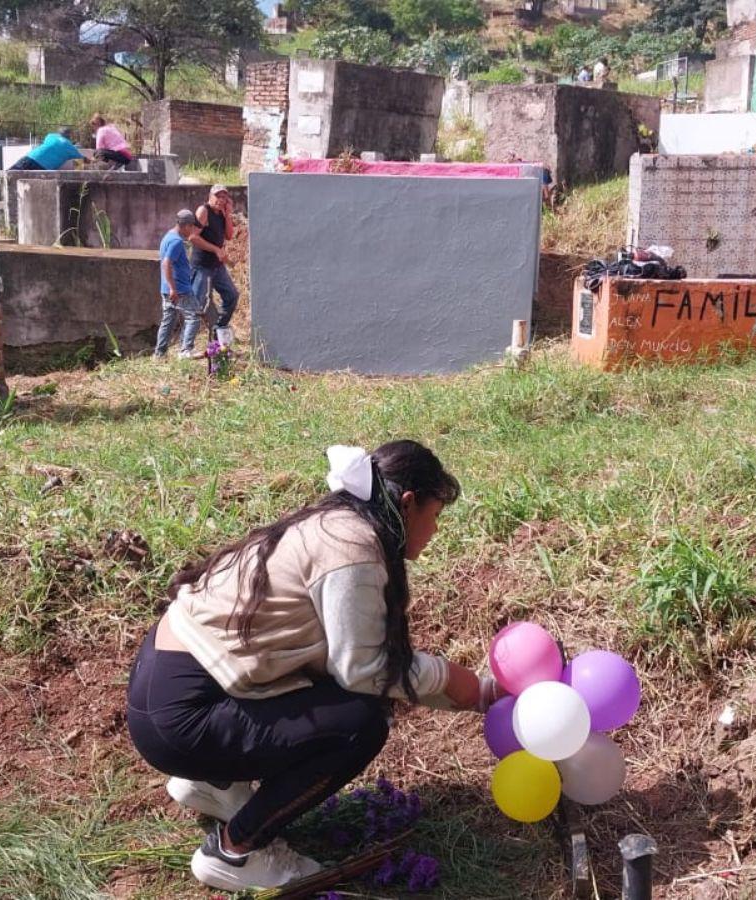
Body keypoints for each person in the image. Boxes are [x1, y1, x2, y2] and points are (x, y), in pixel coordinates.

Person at [126, 441, 498, 891]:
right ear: (407, 503)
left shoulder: (332, 524)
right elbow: (363, 669)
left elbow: (339, 657)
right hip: (183, 717)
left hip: (167, 686)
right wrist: (452, 679)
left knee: (334, 696)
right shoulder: (354, 549)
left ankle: (214, 784)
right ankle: (237, 852)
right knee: (359, 724)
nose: (435, 529)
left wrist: (475, 693)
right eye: (435, 514)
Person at [191, 185, 241, 341]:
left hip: (217, 266)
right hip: (202, 266)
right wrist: (215, 249)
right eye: (217, 196)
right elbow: (192, 237)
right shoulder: (203, 211)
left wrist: (228, 215)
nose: (221, 200)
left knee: (232, 295)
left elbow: (229, 235)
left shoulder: (221, 214)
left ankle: (218, 330)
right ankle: (186, 345)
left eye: (224, 197)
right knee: (197, 305)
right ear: (210, 196)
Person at [155, 209, 205, 359]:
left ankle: (160, 353)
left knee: (168, 320)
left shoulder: (167, 237)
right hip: (179, 288)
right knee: (194, 317)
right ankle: (185, 350)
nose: (192, 230)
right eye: (192, 227)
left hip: (167, 287)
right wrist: (173, 288)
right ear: (186, 225)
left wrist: (168, 286)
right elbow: (166, 264)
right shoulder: (176, 242)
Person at [8, 127, 83, 171]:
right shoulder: (70, 147)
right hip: (43, 167)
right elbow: (81, 161)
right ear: (69, 136)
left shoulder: (51, 136)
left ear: (59, 133)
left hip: (29, 158)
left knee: (9, 175)